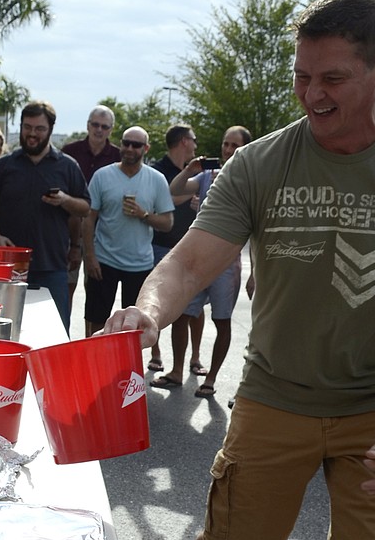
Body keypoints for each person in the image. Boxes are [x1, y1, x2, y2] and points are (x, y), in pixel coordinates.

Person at [102, 0, 375, 540]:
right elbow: (186, 264)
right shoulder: (264, 162)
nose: (311, 93)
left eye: (332, 76)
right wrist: (147, 313)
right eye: (301, 75)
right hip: (275, 398)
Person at [0, 102, 90, 332]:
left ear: (50, 129)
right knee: (3, 330)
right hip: (7, 267)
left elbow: (85, 207)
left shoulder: (67, 166)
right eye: (27, 127)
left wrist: (65, 200)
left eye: (39, 128)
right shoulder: (5, 165)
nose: (32, 133)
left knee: (54, 332)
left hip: (52, 266)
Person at [168, 126, 253, 399]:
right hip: (199, 259)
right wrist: (189, 169)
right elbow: (175, 190)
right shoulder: (207, 176)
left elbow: (257, 229)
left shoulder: (250, 180)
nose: (227, 150)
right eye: (225, 144)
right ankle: (177, 371)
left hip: (227, 263)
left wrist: (255, 273)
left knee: (222, 320)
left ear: (244, 149)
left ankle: (211, 379)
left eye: (234, 146)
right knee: (181, 314)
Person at [83, 127, 174, 336]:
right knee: (96, 319)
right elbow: (88, 218)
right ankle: (94, 363)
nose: (130, 148)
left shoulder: (156, 179)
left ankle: (127, 366)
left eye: (136, 145)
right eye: (126, 143)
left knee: (133, 327)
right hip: (104, 260)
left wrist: (144, 215)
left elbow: (168, 222)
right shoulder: (102, 176)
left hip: (139, 263)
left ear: (146, 149)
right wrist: (90, 256)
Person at [149, 123, 205, 384]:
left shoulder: (196, 172)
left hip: (190, 244)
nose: (195, 145)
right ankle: (156, 352)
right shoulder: (158, 171)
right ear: (184, 141)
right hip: (161, 245)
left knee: (194, 307)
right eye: (193, 139)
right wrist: (194, 193)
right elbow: (166, 199)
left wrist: (199, 199)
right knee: (158, 302)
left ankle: (194, 357)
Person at [62, 105, 121, 309]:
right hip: (68, 229)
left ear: (110, 130)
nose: (99, 130)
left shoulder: (118, 157)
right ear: (88, 125)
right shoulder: (69, 152)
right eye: (95, 124)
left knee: (94, 292)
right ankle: (65, 338)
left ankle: (89, 338)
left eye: (104, 127)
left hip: (101, 235)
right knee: (66, 287)